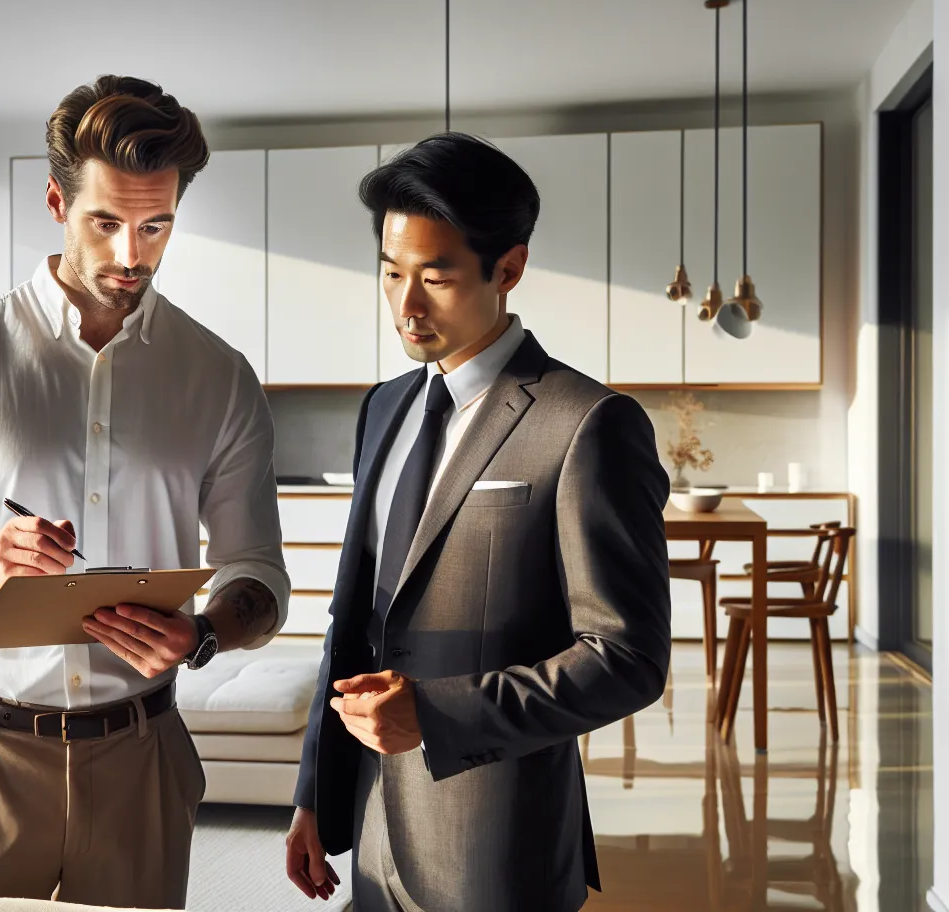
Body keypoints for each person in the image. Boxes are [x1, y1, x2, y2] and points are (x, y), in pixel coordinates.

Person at [0, 74, 290, 909]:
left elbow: (259, 577)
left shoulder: (219, 376)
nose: (133, 254)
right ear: (56, 203)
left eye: (155, 226)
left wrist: (203, 632)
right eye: (107, 222)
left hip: (141, 755)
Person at [283, 132, 671, 912]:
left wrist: (433, 713)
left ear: (510, 268)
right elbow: (353, 621)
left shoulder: (587, 422)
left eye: (437, 276)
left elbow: (626, 657)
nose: (406, 304)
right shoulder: (384, 407)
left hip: (497, 840)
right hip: (369, 818)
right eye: (390, 273)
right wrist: (314, 793)